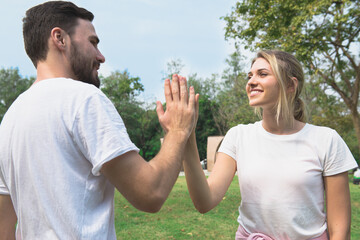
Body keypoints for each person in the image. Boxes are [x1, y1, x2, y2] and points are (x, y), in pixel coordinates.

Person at [0, 1, 197, 239]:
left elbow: (3, 226)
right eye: (92, 42)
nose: (101, 56)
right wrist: (178, 130)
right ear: (60, 38)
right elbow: (150, 193)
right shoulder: (84, 99)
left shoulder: (11, 118)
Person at [182, 50, 358, 240]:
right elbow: (204, 202)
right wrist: (187, 135)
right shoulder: (238, 136)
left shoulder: (327, 140)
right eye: (250, 76)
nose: (251, 81)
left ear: (290, 85)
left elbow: (340, 231)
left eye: (262, 74)